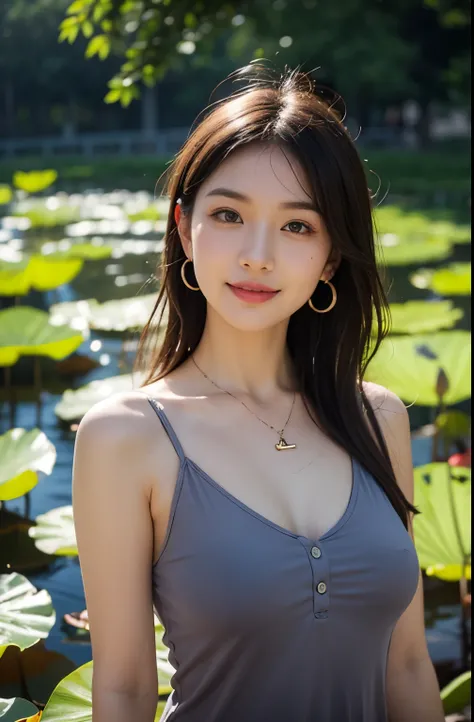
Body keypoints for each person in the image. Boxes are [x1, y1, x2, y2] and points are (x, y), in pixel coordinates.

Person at [72, 64, 445, 722]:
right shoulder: (125, 436)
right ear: (185, 229)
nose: (257, 254)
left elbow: (408, 663)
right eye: (228, 215)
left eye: (298, 226)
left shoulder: (377, 417)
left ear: (331, 256)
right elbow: (126, 687)